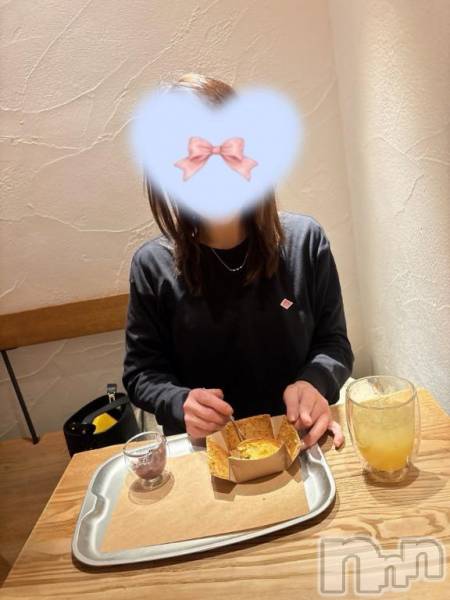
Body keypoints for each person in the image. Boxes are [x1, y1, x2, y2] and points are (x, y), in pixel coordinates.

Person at [123, 73, 354, 449]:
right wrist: (181, 402)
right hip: (206, 451)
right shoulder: (152, 266)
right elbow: (142, 374)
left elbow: (334, 344)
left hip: (299, 439)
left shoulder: (306, 242)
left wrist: (315, 382)